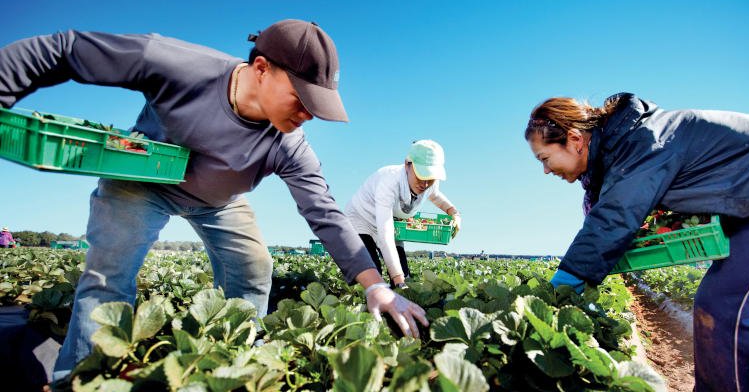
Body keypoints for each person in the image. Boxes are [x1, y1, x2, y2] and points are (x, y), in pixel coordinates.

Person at [0, 20, 428, 381]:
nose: (307, 115)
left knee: (255, 268)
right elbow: (65, 49)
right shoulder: (177, 66)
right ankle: (77, 380)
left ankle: (235, 366)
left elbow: (325, 214)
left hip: (219, 201)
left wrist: (377, 286)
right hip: (142, 183)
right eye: (301, 99)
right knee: (110, 274)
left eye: (317, 106)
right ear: (261, 68)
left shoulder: (290, 145)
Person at [524, 92, 749, 391]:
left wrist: (562, 287)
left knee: (727, 306)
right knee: (716, 303)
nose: (546, 170)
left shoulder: (641, 141)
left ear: (575, 139)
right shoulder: (626, 143)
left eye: (545, 158)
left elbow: (614, 218)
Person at [345, 140, 462, 288]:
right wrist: (398, 281)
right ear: (407, 164)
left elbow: (435, 196)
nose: (425, 184)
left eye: (430, 178)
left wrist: (454, 213)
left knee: (404, 274)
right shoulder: (389, 181)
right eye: (421, 176)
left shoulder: (430, 184)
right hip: (361, 220)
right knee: (372, 276)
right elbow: (385, 235)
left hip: (392, 224)